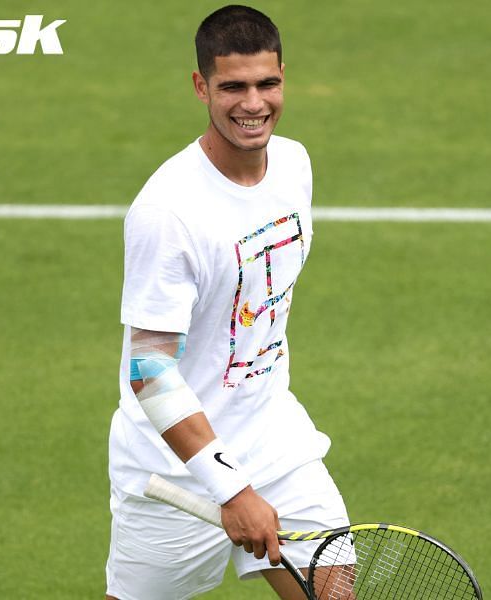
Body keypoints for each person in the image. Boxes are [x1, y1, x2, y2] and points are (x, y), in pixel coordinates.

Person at [105, 6, 347, 599]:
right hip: (176, 470)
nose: (253, 103)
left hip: (274, 440)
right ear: (201, 87)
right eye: (232, 87)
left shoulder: (293, 164)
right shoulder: (169, 212)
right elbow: (150, 371)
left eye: (267, 83)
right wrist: (230, 489)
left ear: (284, 77)